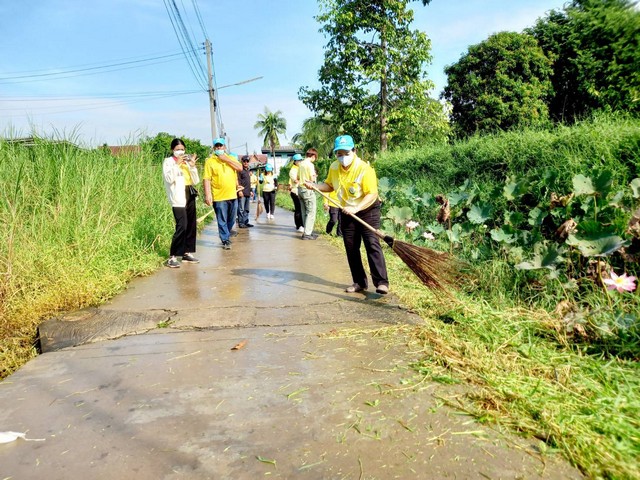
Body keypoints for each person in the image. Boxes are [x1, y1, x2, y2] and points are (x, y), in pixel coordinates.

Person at [305, 135, 389, 294]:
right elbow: (329, 186)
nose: (342, 157)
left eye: (346, 152)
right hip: (346, 211)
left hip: (367, 210)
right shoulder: (334, 167)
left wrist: (356, 209)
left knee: (372, 243)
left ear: (354, 150)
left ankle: (381, 282)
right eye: (339, 153)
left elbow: (371, 194)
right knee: (351, 248)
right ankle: (359, 282)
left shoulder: (364, 169)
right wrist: (314, 185)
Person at [162, 138, 200, 268]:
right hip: (178, 197)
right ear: (173, 150)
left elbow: (195, 180)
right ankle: (172, 256)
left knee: (190, 225)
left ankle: (186, 252)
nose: (180, 151)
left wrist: (193, 166)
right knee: (182, 225)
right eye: (178, 149)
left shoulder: (187, 162)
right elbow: (168, 178)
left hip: (189, 194)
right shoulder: (169, 162)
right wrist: (176, 164)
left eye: (182, 149)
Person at [203, 137, 242, 250]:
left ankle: (227, 233)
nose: (219, 148)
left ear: (225, 147)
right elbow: (206, 179)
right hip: (219, 196)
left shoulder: (230, 158)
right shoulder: (210, 161)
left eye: (221, 146)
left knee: (231, 218)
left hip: (232, 195)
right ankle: (225, 239)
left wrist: (226, 159)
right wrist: (208, 194)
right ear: (214, 148)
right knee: (222, 219)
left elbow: (240, 168)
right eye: (217, 146)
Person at [297, 148, 319, 240]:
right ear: (313, 156)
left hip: (300, 189)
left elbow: (298, 177)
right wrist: (314, 177)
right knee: (311, 211)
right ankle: (307, 234)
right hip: (308, 190)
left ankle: (306, 231)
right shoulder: (310, 165)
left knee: (304, 211)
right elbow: (312, 179)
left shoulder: (301, 164)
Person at [237, 156, 254, 228]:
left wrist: (250, 191)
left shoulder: (248, 171)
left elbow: (248, 182)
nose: (246, 163)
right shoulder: (240, 170)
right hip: (242, 193)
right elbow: (238, 181)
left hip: (247, 192)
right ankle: (241, 223)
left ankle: (245, 222)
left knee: (247, 209)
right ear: (242, 162)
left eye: (247, 161)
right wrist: (240, 191)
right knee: (241, 209)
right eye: (244, 161)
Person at [289, 154, 304, 232]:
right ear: (295, 161)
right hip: (295, 191)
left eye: (301, 160)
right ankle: (299, 225)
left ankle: (302, 224)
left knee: (302, 208)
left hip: (301, 190)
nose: (300, 162)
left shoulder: (300, 168)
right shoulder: (293, 170)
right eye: (299, 160)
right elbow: (295, 180)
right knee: (298, 209)